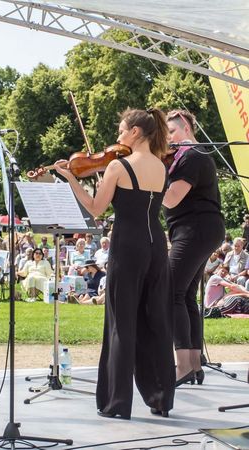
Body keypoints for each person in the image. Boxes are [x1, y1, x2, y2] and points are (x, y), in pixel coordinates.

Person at [54, 107, 175, 419]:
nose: (118, 137)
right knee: (155, 321)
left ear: (135, 132)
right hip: (156, 246)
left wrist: (70, 178)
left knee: (121, 323)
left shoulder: (119, 166)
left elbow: (96, 208)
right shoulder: (162, 166)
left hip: (127, 245)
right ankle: (161, 396)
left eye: (122, 130)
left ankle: (117, 402)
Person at [163, 109, 226, 387]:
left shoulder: (191, 155)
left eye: (172, 133)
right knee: (186, 295)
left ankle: (184, 366)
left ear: (186, 127)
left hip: (195, 229)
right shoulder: (183, 157)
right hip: (199, 229)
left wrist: (147, 181)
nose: (168, 141)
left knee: (170, 292)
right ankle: (195, 365)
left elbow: (172, 199)